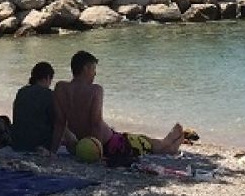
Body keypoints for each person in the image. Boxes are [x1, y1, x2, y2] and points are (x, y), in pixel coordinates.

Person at [51, 50, 184, 159]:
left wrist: (53, 151)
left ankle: (166, 144)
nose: (95, 73)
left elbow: (60, 122)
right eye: (94, 68)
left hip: (82, 146)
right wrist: (97, 152)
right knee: (141, 141)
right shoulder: (95, 90)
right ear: (86, 69)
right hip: (108, 144)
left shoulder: (61, 88)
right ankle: (167, 145)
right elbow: (96, 123)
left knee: (133, 139)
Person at [11, 61, 73, 154]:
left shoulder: (21, 92)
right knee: (66, 134)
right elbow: (60, 123)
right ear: (48, 77)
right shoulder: (50, 95)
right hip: (39, 147)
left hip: (17, 145)